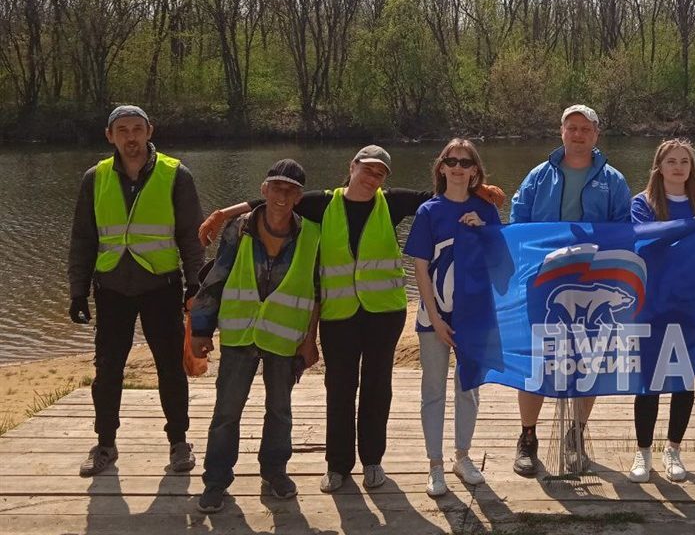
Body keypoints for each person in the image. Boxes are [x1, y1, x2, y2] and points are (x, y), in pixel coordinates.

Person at [199, 145, 430, 493]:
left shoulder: (391, 202)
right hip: (338, 316)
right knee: (339, 389)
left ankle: (372, 461)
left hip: (384, 313)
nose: (372, 177)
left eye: (380, 173)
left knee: (377, 388)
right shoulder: (323, 204)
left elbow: (437, 196)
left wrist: (479, 191)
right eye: (367, 168)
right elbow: (268, 200)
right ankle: (337, 466)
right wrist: (220, 214)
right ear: (351, 166)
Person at [67, 105, 204, 478]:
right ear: (110, 135)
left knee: (170, 369)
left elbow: (192, 237)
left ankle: (179, 442)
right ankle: (105, 444)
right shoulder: (94, 178)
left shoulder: (176, 174)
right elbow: (83, 238)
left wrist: (196, 284)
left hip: (161, 285)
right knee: (108, 370)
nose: (131, 137)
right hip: (111, 287)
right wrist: (77, 291)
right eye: (123, 130)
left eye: (137, 129)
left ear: (149, 131)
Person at [508, 103, 632, 477]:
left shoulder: (614, 180)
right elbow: (518, 225)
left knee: (587, 359)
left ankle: (575, 436)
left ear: (596, 135)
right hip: (544, 284)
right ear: (561, 132)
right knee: (538, 361)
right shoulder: (538, 176)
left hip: (592, 283)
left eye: (585, 129)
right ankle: (527, 438)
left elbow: (625, 230)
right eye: (571, 128)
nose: (577, 134)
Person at [191, 159, 319, 513]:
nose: (282, 195)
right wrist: (200, 329)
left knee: (280, 411)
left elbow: (316, 290)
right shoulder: (238, 228)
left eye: (290, 190)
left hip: (283, 338)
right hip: (238, 334)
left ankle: (275, 472)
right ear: (263, 190)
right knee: (226, 412)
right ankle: (216, 481)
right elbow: (215, 278)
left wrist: (310, 340)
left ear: (299, 197)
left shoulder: (312, 233)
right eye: (276, 187)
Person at [627, 139, 695, 483]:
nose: (678, 167)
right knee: (648, 381)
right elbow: (645, 244)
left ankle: (673, 450)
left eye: (685, 162)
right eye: (671, 161)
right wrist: (691, 227)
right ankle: (642, 452)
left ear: (691, 170)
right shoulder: (642, 204)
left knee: (683, 380)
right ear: (658, 167)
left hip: (690, 304)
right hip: (651, 303)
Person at [404, 139, 501, 497]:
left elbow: (502, 264)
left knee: (469, 388)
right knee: (433, 390)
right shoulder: (429, 211)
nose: (458, 167)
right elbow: (419, 268)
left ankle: (463, 456)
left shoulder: (486, 210)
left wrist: (485, 231)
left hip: (474, 316)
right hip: (435, 317)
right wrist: (435, 317)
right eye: (452, 161)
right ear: (442, 167)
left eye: (466, 162)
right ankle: (435, 464)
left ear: (475, 171)